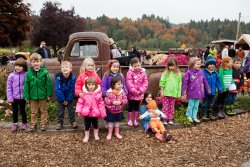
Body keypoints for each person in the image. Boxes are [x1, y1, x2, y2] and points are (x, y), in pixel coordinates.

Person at [24, 53, 53, 131]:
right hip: (33, 96)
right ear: (31, 63)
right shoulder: (29, 74)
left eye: (37, 61)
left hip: (43, 96)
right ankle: (34, 124)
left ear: (41, 62)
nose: (35, 63)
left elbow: (48, 84)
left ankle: (43, 124)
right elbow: (26, 86)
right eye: (33, 62)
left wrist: (48, 94)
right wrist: (27, 96)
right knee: (33, 112)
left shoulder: (44, 73)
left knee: (43, 110)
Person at [75, 77, 106, 143]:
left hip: (95, 113)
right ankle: (86, 136)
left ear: (95, 85)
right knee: (87, 124)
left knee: (95, 124)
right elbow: (80, 103)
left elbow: (101, 104)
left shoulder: (98, 95)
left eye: (92, 84)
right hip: (87, 113)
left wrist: (102, 112)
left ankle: (96, 134)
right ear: (86, 85)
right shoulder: (84, 94)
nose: (91, 86)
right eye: (89, 84)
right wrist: (79, 110)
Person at [181, 57, 211, 123]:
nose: (199, 66)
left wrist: (208, 88)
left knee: (196, 105)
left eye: (200, 64)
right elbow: (185, 82)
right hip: (191, 92)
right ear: (192, 64)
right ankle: (188, 115)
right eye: (197, 64)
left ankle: (194, 116)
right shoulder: (188, 72)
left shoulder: (201, 72)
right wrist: (183, 91)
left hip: (199, 92)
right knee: (191, 105)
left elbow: (205, 81)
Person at [54, 61, 77, 130]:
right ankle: (60, 122)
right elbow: (58, 89)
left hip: (69, 98)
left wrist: (68, 99)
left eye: (66, 67)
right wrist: (63, 99)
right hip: (61, 98)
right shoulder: (58, 78)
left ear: (70, 69)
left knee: (71, 111)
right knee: (60, 111)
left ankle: (73, 122)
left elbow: (72, 90)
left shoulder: (72, 78)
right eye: (63, 67)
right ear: (61, 69)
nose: (65, 68)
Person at [6, 58, 28, 132]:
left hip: (23, 97)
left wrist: (27, 95)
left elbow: (29, 85)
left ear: (24, 67)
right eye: (16, 65)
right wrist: (10, 97)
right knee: (15, 111)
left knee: (22, 111)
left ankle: (24, 123)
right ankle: (15, 123)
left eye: (20, 66)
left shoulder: (26, 75)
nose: (17, 67)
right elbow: (8, 87)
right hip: (14, 97)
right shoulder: (11, 75)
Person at [126, 57, 148, 126]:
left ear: (140, 64)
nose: (137, 67)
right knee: (130, 106)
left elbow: (145, 82)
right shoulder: (130, 72)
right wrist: (134, 91)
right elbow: (129, 82)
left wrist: (141, 90)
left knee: (137, 107)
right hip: (132, 94)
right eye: (135, 66)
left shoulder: (143, 72)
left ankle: (135, 120)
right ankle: (129, 119)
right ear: (131, 66)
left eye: (138, 65)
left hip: (139, 94)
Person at [159, 58, 182, 125]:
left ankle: (170, 119)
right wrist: (162, 91)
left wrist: (178, 93)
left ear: (176, 65)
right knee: (165, 107)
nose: (171, 67)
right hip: (166, 94)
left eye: (173, 66)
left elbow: (179, 84)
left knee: (172, 107)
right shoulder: (165, 73)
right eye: (170, 66)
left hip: (173, 94)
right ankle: (164, 119)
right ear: (168, 66)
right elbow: (162, 83)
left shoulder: (178, 74)